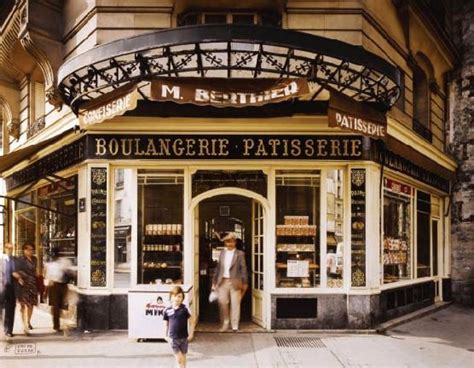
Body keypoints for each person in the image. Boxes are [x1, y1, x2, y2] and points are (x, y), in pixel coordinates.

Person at [212, 232, 248, 332]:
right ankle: (225, 323)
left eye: (231, 242)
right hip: (222, 281)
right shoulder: (222, 253)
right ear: (225, 243)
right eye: (227, 242)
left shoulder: (240, 254)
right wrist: (214, 282)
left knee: (235, 304)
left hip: (235, 282)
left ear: (235, 242)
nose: (229, 244)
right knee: (223, 302)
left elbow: (243, 268)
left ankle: (235, 325)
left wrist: (245, 283)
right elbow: (218, 268)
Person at [163, 286, 194, 368]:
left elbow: (191, 322)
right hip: (173, 339)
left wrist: (191, 334)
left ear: (182, 298)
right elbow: (166, 324)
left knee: (183, 358)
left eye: (179, 296)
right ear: (171, 297)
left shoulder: (185, 309)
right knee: (179, 358)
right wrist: (165, 335)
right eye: (174, 296)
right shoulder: (167, 310)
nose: (177, 298)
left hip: (184, 338)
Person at [13, 243, 38, 335]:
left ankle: (28, 321)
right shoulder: (19, 260)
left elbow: (36, 271)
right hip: (23, 284)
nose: (31, 251)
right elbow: (15, 271)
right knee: (23, 306)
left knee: (31, 305)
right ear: (24, 250)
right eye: (29, 249)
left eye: (32, 249)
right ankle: (25, 326)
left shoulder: (35, 259)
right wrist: (19, 278)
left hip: (33, 284)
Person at [44, 254, 72, 333]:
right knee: (58, 306)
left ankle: (57, 325)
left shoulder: (51, 265)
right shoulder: (65, 262)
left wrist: (45, 291)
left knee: (57, 306)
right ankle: (58, 325)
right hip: (59, 285)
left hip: (55, 286)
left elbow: (48, 278)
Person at [1, 243, 17, 337]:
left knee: (10, 309)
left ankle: (9, 329)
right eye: (8, 248)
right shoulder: (1, 260)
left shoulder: (14, 260)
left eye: (11, 248)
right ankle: (4, 327)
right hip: (2, 287)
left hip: (11, 288)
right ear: (5, 249)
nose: (10, 250)